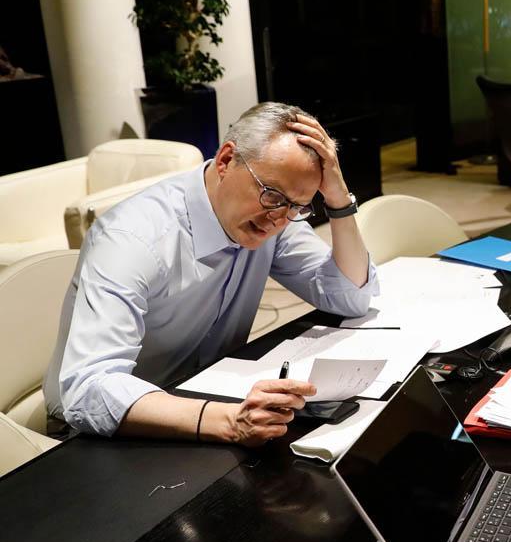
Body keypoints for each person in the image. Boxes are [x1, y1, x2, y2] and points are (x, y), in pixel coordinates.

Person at [44, 102, 379, 446]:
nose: (278, 219)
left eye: (296, 206)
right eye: (272, 196)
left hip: (205, 396)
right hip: (100, 430)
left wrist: (339, 200)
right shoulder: (132, 240)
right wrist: (228, 421)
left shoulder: (274, 220)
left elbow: (351, 298)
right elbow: (89, 389)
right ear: (225, 161)